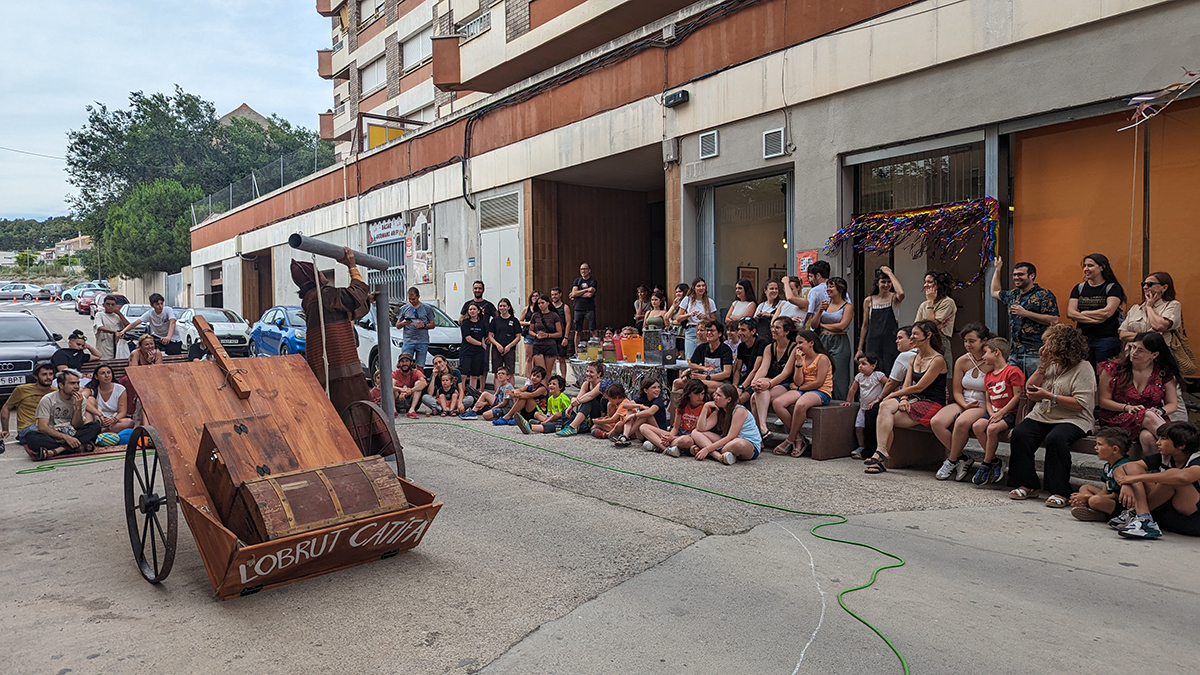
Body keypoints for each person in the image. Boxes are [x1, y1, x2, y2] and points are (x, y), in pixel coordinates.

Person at [1007, 324, 1096, 507]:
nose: (1046, 349)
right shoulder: (1050, 364)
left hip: (1073, 418)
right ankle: (1028, 485)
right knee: (1020, 434)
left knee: (1056, 439)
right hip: (1043, 415)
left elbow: (1080, 404)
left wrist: (1049, 396)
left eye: (1050, 345)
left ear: (1063, 348)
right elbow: (1029, 389)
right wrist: (1042, 367)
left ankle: (1059, 490)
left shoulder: (1083, 368)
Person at [287, 251, 374, 416]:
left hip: (329, 367)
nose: (321, 272)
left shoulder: (314, 299)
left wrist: (367, 300)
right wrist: (352, 266)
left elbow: (346, 310)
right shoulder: (321, 295)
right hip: (339, 366)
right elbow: (353, 297)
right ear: (313, 276)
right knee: (353, 407)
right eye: (317, 270)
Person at [866, 320, 948, 474]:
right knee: (885, 407)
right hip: (913, 398)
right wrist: (903, 399)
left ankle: (880, 458)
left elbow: (920, 387)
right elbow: (907, 384)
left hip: (931, 402)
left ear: (928, 336)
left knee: (886, 417)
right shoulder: (913, 358)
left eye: (915, 334)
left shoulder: (938, 360)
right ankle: (881, 451)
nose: (911, 338)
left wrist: (892, 394)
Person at [1097, 332, 1180, 458]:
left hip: (1152, 418)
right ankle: (1181, 450)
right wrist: (1127, 407)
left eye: (1140, 350)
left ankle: (1154, 472)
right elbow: (1103, 401)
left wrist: (1161, 411)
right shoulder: (1114, 368)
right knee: (1148, 415)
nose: (1133, 352)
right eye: (1132, 347)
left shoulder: (1162, 371)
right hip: (1118, 415)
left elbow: (1172, 404)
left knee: (1148, 438)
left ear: (1154, 354)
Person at [1113, 421, 1200, 538]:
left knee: (1173, 477)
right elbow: (1121, 467)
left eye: (1163, 439)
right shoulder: (1165, 456)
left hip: (1193, 519)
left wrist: (1135, 479)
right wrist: (1125, 484)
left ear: (1181, 445)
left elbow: (1185, 477)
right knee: (1133, 466)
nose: (1157, 443)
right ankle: (1143, 516)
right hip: (1164, 511)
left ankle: (1138, 515)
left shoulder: (1196, 458)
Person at [932, 323, 993, 482]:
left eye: (972, 341)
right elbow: (957, 390)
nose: (967, 345)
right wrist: (964, 405)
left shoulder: (990, 361)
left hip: (982, 403)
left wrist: (970, 408)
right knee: (936, 422)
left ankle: (951, 460)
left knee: (961, 422)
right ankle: (961, 458)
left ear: (984, 341)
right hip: (964, 400)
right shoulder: (962, 360)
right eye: (965, 341)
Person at [990, 257, 1059, 376]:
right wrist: (997, 269)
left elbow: (1054, 320)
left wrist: (1026, 313)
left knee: (1035, 388)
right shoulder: (1013, 294)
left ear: (1031, 276)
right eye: (1014, 275)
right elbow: (994, 291)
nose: (1017, 277)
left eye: (1020, 274)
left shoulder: (1043, 294)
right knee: (1014, 388)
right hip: (1014, 353)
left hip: (1036, 352)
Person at [970, 337, 1025, 485]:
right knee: (977, 426)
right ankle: (995, 460)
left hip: (1009, 413)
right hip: (993, 411)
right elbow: (988, 399)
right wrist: (992, 412)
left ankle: (986, 464)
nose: (983, 356)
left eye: (986, 352)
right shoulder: (988, 375)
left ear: (997, 352)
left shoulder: (1013, 372)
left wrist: (1001, 413)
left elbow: (1018, 395)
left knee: (992, 429)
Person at [773, 330, 834, 457]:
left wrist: (799, 387)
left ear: (811, 343)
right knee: (778, 402)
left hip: (821, 391)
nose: (798, 346)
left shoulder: (822, 358)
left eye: (801, 343)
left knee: (801, 405)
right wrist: (799, 364)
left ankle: (790, 439)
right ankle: (798, 437)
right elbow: (797, 380)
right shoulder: (800, 357)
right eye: (796, 343)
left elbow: (819, 382)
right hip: (803, 389)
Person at [24, 369, 102, 461]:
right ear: (61, 385)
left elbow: (77, 425)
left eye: (78, 383)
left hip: (73, 433)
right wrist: (66, 438)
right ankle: (79, 447)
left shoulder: (81, 400)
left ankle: (58, 450)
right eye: (72, 383)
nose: (76, 387)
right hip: (54, 436)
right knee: (31, 436)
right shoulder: (48, 399)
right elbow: (42, 427)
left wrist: (77, 407)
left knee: (95, 426)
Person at [1067, 252, 1126, 368]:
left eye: (1090, 265)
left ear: (1102, 267)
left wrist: (1084, 313)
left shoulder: (1113, 288)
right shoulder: (1079, 288)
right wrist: (1096, 320)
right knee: (1085, 372)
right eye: (1084, 266)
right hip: (1083, 339)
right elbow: (1070, 313)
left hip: (1107, 339)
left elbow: (1108, 312)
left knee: (1105, 373)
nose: (1086, 269)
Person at [1068, 428, 1136, 523]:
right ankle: (1094, 510)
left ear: (1115, 449)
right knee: (1085, 487)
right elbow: (1105, 490)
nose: (1095, 447)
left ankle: (1100, 514)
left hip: (1121, 506)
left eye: (1099, 444)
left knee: (1094, 501)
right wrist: (1086, 496)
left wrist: (1087, 498)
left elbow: (1115, 496)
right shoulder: (1108, 465)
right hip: (1109, 498)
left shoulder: (1122, 466)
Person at [686, 383, 761, 465]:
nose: (715, 397)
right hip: (727, 443)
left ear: (728, 399)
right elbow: (701, 428)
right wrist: (705, 407)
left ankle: (706, 450)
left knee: (739, 444)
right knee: (695, 432)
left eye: (718, 395)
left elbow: (731, 436)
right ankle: (718, 456)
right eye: (715, 394)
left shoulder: (739, 411)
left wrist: (707, 449)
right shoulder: (719, 410)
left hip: (748, 445)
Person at [748, 317, 798, 437]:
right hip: (770, 381)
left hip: (786, 383)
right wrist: (754, 382)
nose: (773, 330)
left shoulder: (794, 347)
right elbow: (763, 369)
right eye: (772, 327)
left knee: (755, 397)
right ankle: (762, 431)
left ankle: (760, 431)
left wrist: (769, 384)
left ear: (786, 332)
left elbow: (786, 373)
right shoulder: (769, 347)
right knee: (759, 387)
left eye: (777, 327)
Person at [856, 267, 904, 375]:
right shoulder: (869, 300)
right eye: (883, 282)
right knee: (873, 371)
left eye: (889, 282)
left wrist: (890, 273)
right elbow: (865, 325)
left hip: (890, 341)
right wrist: (860, 348)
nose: (886, 285)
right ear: (877, 283)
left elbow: (901, 293)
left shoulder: (894, 298)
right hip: (873, 341)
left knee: (890, 370)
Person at [814, 277, 854, 400]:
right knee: (821, 371)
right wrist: (820, 311)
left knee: (839, 375)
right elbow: (814, 325)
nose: (828, 289)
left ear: (840, 289)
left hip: (840, 342)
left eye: (831, 286)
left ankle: (840, 401)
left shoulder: (847, 306)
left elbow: (842, 326)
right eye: (828, 286)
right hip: (823, 340)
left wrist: (824, 326)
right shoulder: (825, 305)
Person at [645, 378, 707, 456]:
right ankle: (667, 448)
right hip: (678, 434)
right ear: (689, 394)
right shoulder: (682, 405)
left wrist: (672, 438)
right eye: (696, 394)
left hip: (692, 437)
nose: (700, 397)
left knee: (685, 441)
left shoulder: (704, 408)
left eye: (702, 394)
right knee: (644, 427)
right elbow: (676, 427)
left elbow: (700, 433)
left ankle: (658, 445)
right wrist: (669, 437)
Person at [0, 363, 56, 449]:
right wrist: (5, 429)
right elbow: (6, 407)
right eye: (44, 374)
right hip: (29, 428)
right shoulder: (22, 390)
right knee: (38, 433)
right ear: (36, 376)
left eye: (51, 374)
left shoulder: (55, 391)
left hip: (49, 427)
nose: (48, 377)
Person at [842, 354, 886, 460]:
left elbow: (888, 384)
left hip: (874, 406)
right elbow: (853, 389)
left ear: (873, 365)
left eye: (864, 364)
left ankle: (874, 448)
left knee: (871, 427)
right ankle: (861, 446)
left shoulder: (878, 375)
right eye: (859, 364)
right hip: (863, 407)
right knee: (859, 427)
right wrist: (848, 401)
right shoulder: (859, 377)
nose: (860, 366)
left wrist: (883, 398)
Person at [556, 361, 616, 437]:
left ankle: (572, 427)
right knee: (566, 411)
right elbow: (579, 399)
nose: (588, 374)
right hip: (591, 415)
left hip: (603, 414)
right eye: (587, 371)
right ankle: (575, 425)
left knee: (589, 401)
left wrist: (573, 403)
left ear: (599, 374)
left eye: (591, 372)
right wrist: (572, 403)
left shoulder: (602, 384)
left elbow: (590, 396)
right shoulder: (586, 384)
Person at [677, 320, 733, 393]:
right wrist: (703, 368)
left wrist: (707, 377)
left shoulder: (725, 349)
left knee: (697, 386)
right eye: (707, 331)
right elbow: (691, 364)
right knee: (677, 382)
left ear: (719, 334)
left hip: (722, 382)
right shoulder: (702, 347)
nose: (709, 333)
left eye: (712, 331)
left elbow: (727, 373)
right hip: (703, 379)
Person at [119, 293, 183, 356]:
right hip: (157, 337)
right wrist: (123, 331)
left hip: (173, 338)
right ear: (152, 305)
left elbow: (172, 322)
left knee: (174, 357)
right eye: (157, 304)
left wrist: (169, 337)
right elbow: (136, 323)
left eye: (161, 303)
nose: (160, 306)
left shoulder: (168, 310)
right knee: (146, 352)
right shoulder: (150, 314)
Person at [915, 270, 956, 367]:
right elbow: (917, 328)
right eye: (925, 282)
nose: (925, 285)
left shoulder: (947, 302)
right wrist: (935, 327)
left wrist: (930, 302)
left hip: (940, 341)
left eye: (929, 282)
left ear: (938, 285)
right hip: (923, 342)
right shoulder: (923, 305)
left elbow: (931, 324)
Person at [84, 364, 134, 434]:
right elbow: (82, 398)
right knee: (89, 399)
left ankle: (98, 431)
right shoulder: (92, 388)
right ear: (96, 377)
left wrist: (113, 420)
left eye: (108, 373)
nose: (106, 376)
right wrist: (100, 415)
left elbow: (122, 411)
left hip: (113, 419)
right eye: (102, 373)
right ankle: (91, 429)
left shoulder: (120, 389)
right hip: (96, 418)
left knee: (129, 422)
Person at [619, 378, 667, 450]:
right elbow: (625, 405)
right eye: (654, 388)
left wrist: (633, 415)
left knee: (646, 415)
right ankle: (625, 435)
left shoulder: (659, 400)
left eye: (658, 387)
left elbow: (650, 412)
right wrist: (641, 406)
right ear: (646, 390)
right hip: (643, 433)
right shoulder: (643, 399)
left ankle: (625, 436)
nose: (657, 390)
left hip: (657, 433)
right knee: (630, 410)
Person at [676, 278, 717, 360]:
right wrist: (689, 314)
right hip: (691, 330)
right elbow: (678, 318)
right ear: (694, 288)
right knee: (690, 357)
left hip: (705, 330)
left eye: (703, 286)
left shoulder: (710, 301)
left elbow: (714, 320)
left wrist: (705, 317)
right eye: (698, 286)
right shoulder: (687, 300)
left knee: (705, 356)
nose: (701, 288)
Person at [395, 286, 435, 368]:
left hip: (422, 341)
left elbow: (433, 324)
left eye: (413, 299)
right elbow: (397, 325)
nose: (411, 301)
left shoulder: (427, 308)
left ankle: (419, 380)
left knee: (420, 365)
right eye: (409, 299)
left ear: (418, 296)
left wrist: (424, 325)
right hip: (408, 341)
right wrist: (403, 323)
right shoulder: (404, 308)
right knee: (405, 365)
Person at [506, 366, 549, 434]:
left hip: (539, 411)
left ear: (541, 379)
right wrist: (514, 392)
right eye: (533, 375)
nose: (534, 378)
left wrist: (515, 394)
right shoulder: (529, 386)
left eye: (538, 377)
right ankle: (516, 415)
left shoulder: (542, 389)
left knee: (526, 396)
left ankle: (508, 415)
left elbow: (531, 395)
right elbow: (517, 390)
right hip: (529, 410)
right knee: (521, 395)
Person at [732, 318, 765, 404]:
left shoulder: (761, 344)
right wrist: (735, 386)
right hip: (746, 377)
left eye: (743, 330)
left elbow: (755, 370)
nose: (739, 333)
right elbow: (737, 369)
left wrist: (741, 388)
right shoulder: (741, 346)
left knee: (738, 400)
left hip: (758, 379)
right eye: (738, 329)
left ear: (753, 331)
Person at [459, 303, 490, 394]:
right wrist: (481, 344)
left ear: (478, 311)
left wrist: (484, 343)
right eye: (470, 309)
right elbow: (468, 338)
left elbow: (484, 336)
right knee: (464, 374)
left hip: (478, 352)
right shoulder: (465, 323)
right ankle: (462, 392)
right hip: (466, 351)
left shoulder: (482, 324)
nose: (472, 311)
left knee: (474, 374)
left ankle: (472, 393)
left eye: (474, 309)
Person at [529, 295, 563, 374]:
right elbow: (530, 330)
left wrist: (547, 335)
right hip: (538, 344)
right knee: (541, 371)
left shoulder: (554, 316)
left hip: (550, 345)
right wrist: (536, 335)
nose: (541, 305)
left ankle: (546, 386)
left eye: (542, 303)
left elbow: (559, 333)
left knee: (548, 372)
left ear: (548, 303)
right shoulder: (535, 315)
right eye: (539, 303)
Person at [489, 298, 521, 377]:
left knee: (510, 374)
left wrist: (509, 346)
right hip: (497, 349)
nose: (502, 308)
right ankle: (498, 389)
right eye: (500, 306)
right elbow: (490, 336)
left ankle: (510, 389)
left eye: (504, 306)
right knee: (497, 374)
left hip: (510, 350)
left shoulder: (514, 321)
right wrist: (497, 345)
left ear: (508, 307)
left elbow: (518, 337)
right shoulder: (495, 320)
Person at [799, 260, 836, 329]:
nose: (810, 280)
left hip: (819, 327)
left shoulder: (814, 291)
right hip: (836, 325)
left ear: (818, 275)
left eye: (811, 276)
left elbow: (809, 311)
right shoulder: (839, 289)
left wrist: (802, 325)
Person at [92, 294, 130, 360]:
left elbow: (128, 326)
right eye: (108, 304)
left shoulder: (117, 316)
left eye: (113, 305)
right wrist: (115, 332)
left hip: (117, 346)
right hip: (104, 346)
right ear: (103, 305)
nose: (110, 306)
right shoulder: (100, 315)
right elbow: (100, 327)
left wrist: (119, 313)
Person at [391, 352, 429, 418]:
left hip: (410, 399)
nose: (404, 363)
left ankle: (411, 410)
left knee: (418, 383)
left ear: (411, 362)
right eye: (402, 361)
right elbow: (388, 386)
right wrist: (400, 389)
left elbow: (424, 383)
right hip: (398, 399)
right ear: (399, 363)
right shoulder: (395, 373)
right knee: (392, 382)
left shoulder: (416, 372)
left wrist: (411, 390)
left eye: (407, 361)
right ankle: (393, 410)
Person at [570, 262, 598, 346]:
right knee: (578, 331)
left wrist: (578, 293)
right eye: (582, 269)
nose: (583, 271)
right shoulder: (577, 281)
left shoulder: (593, 281)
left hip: (589, 308)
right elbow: (573, 293)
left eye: (585, 269)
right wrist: (586, 290)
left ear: (589, 270)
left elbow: (590, 295)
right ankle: (576, 352)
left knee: (592, 329)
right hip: (578, 308)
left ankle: (596, 348)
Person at [549, 287, 573, 380]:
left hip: (562, 336)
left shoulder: (565, 307)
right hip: (551, 336)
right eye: (552, 295)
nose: (554, 296)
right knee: (550, 359)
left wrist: (566, 337)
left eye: (555, 294)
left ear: (560, 294)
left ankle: (563, 379)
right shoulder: (549, 307)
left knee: (561, 358)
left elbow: (568, 323)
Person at [520, 290, 542, 377]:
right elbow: (520, 321)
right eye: (533, 296)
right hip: (528, 335)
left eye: (537, 296)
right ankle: (528, 377)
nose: (535, 298)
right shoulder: (526, 309)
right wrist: (529, 323)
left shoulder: (541, 309)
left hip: (539, 335)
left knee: (538, 357)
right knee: (529, 357)